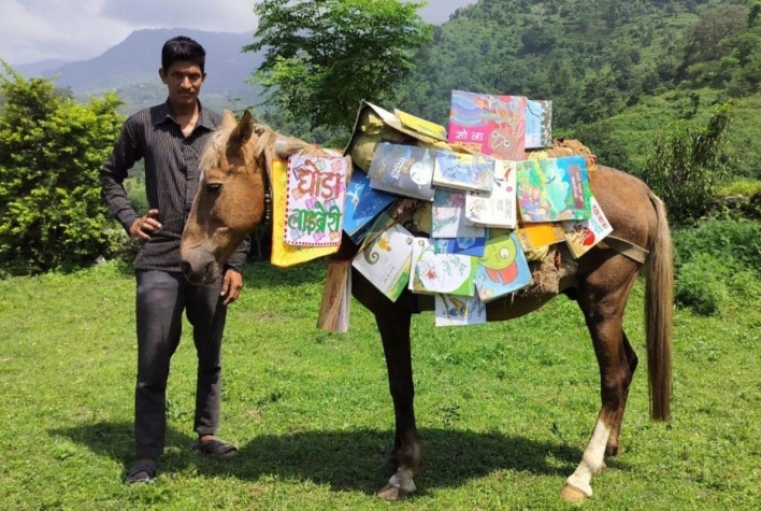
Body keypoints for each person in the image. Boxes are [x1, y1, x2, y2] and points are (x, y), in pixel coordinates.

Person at [100, 36, 249, 484]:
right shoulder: (143, 126)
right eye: (179, 75)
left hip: (209, 262)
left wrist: (236, 262)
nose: (187, 83)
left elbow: (238, 205)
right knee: (154, 359)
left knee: (211, 353)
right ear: (163, 76)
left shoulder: (221, 137)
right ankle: (147, 455)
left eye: (195, 75)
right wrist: (129, 219)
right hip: (160, 258)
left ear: (204, 77)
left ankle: (206, 434)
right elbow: (110, 175)